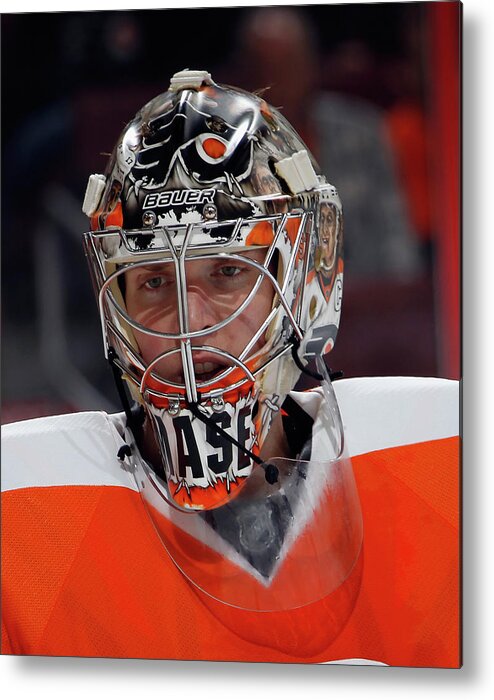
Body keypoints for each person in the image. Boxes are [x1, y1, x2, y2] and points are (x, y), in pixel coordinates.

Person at [1, 70, 459, 666]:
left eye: (227, 272)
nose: (188, 320)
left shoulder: (451, 452)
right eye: (153, 280)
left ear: (305, 281)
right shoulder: (23, 507)